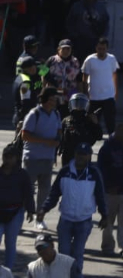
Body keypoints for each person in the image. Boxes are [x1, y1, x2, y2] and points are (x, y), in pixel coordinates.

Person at [40, 143, 105, 278]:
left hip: (84, 220)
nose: (80, 157)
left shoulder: (94, 173)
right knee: (63, 252)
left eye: (84, 154)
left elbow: (100, 195)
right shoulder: (64, 172)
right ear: (75, 154)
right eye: (78, 153)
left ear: (89, 156)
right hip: (66, 219)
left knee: (78, 253)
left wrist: (105, 215)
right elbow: (54, 193)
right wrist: (44, 209)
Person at [96, 121, 123, 260]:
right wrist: (107, 186)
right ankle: (108, 247)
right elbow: (100, 170)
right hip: (110, 193)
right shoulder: (106, 148)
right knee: (108, 221)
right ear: (117, 131)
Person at [21, 87, 63, 218]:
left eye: (55, 99)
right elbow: (25, 135)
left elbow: (59, 131)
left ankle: (39, 217)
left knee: (45, 190)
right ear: (44, 99)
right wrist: (45, 141)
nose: (53, 102)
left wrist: (57, 141)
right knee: (26, 189)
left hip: (48, 158)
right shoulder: (34, 114)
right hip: (32, 158)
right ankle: (19, 216)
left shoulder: (56, 114)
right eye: (51, 99)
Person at [0, 142, 35, 272]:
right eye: (5, 156)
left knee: (10, 244)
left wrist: (31, 210)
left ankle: (7, 271)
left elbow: (28, 193)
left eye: (10, 157)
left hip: (15, 213)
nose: (7, 160)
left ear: (16, 158)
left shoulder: (22, 175)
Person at [79, 39, 119, 136]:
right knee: (92, 121)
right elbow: (84, 78)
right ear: (96, 48)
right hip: (93, 97)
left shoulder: (111, 59)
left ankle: (112, 141)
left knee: (110, 122)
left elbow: (114, 75)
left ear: (107, 49)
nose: (101, 51)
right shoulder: (90, 60)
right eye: (99, 48)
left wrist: (116, 91)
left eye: (103, 49)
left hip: (108, 96)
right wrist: (85, 93)